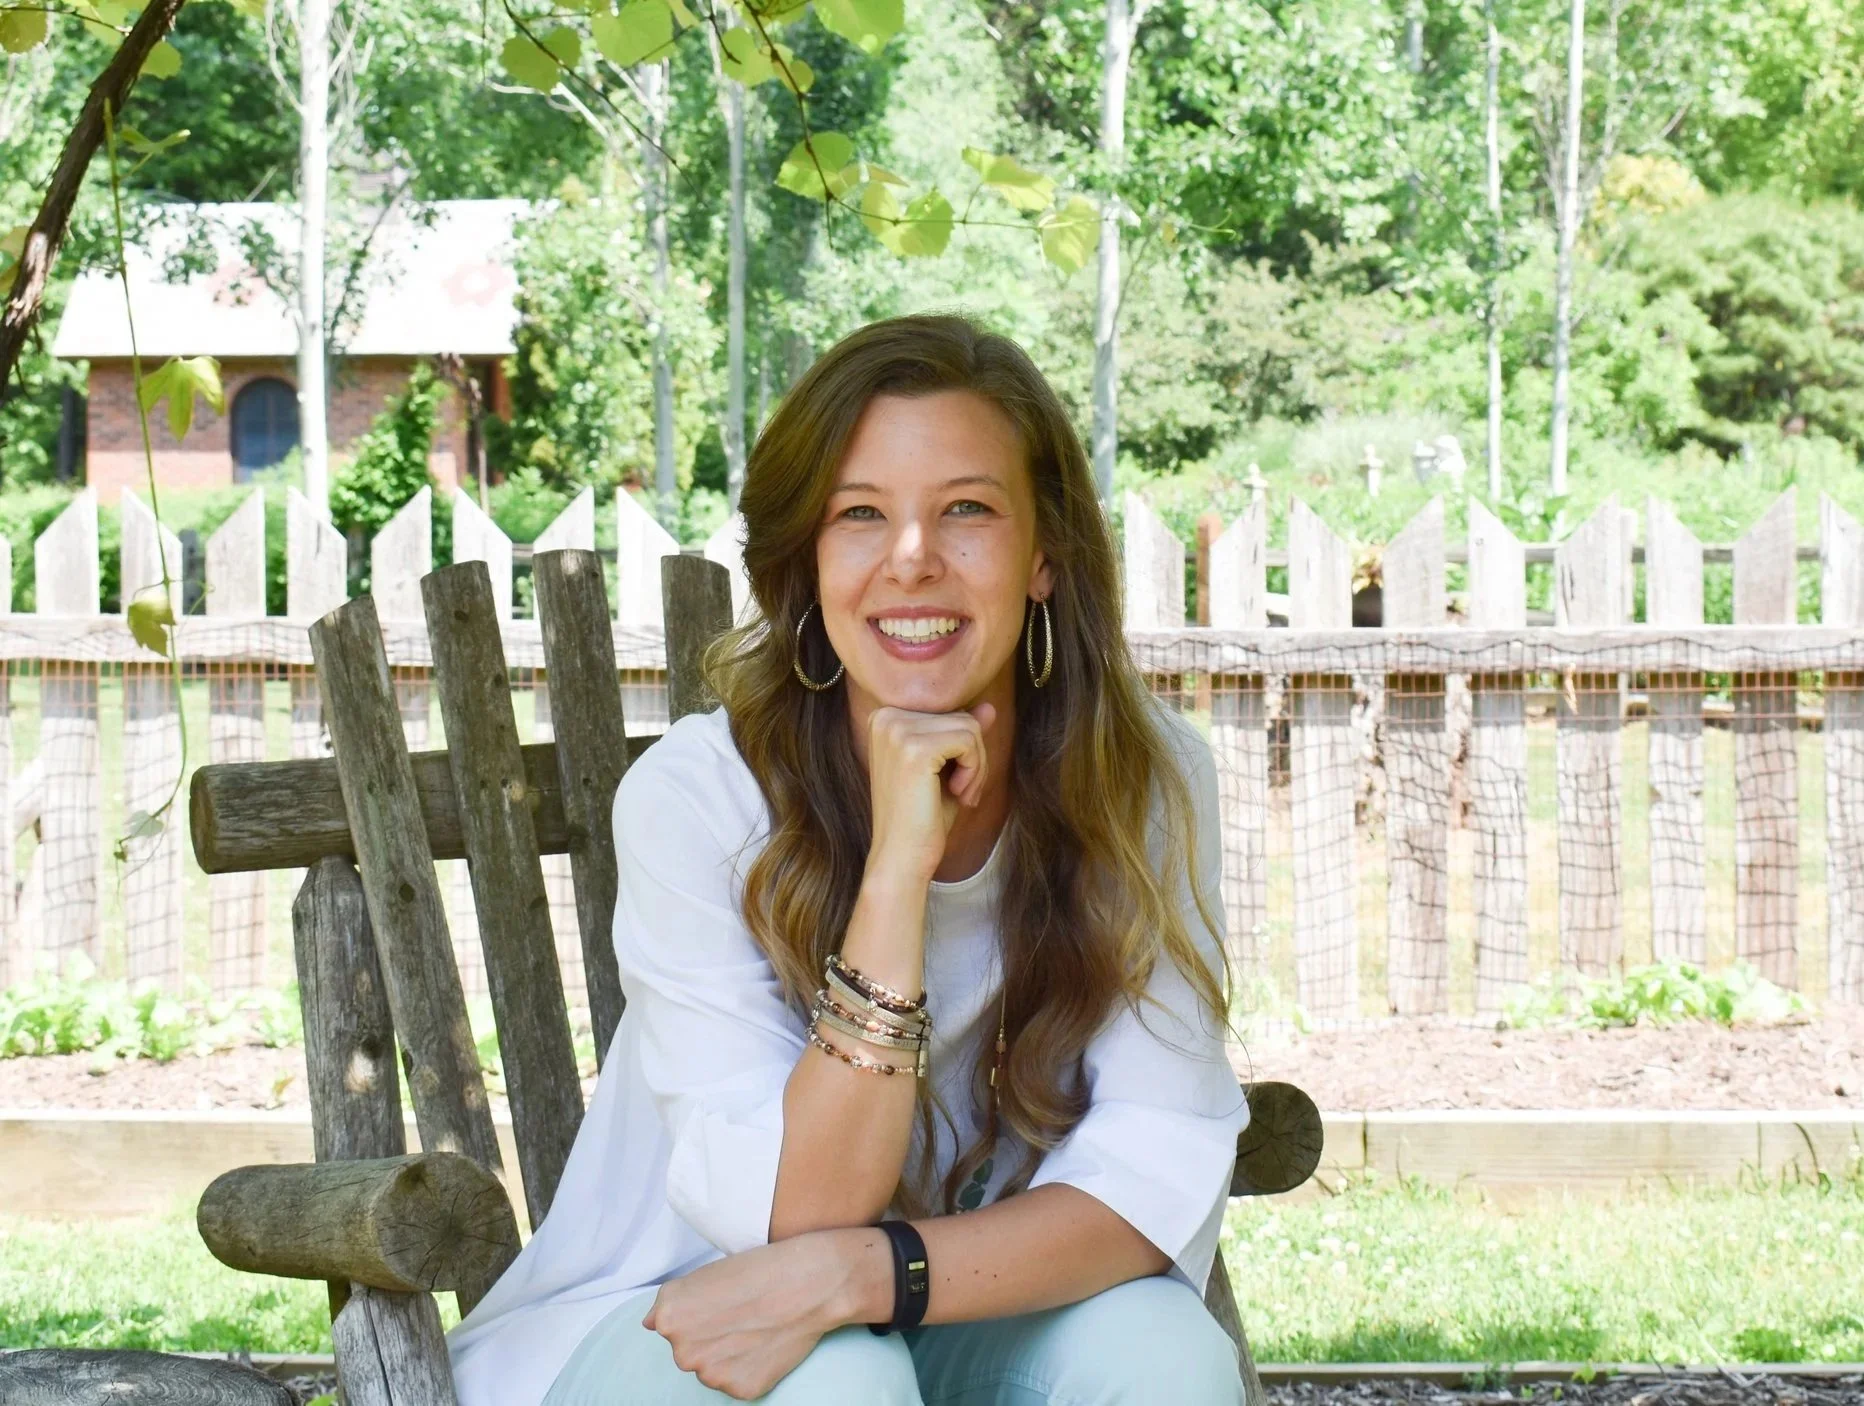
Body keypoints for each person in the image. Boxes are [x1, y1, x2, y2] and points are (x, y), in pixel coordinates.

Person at [445, 314, 1250, 1406]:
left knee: (1164, 1351)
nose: (911, 557)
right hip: (661, 1321)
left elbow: (1151, 1172)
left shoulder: (1142, 782)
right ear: (806, 561)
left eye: (965, 508)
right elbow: (798, 1210)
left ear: (1044, 553)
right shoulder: (700, 799)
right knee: (837, 1377)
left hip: (935, 1309)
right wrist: (896, 870)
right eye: (859, 514)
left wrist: (876, 1271)